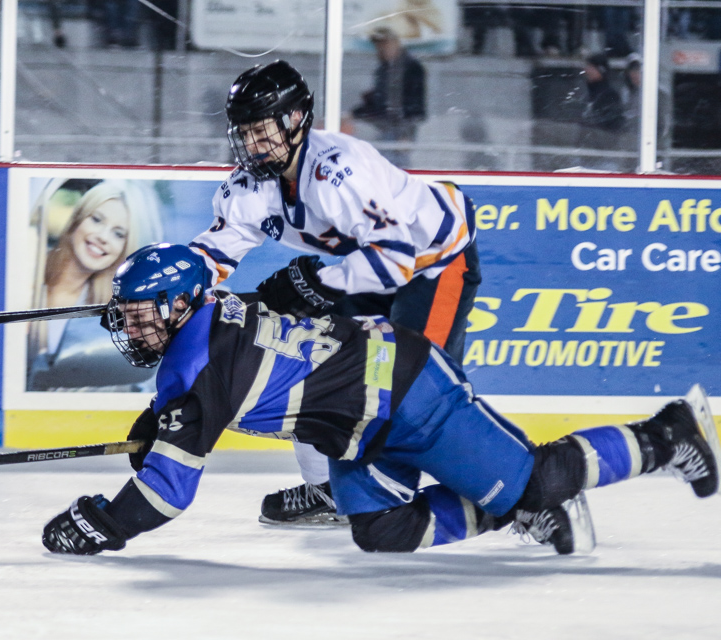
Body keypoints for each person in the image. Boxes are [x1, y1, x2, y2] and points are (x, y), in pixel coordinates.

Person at [41, 244, 720, 557]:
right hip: (359, 426)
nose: (131, 328)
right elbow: (182, 408)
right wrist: (158, 424)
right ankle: (510, 505)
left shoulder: (199, 371)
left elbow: (166, 492)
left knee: (539, 476)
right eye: (126, 317)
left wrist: (102, 525)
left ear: (179, 304)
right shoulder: (208, 323)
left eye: (139, 315)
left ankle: (670, 434)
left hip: (409, 391)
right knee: (383, 531)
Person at [187, 60, 481, 526]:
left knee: (417, 387)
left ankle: (517, 486)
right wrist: (167, 287)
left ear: (296, 120)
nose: (251, 144)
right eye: (243, 132)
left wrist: (317, 286)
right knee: (313, 364)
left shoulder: (339, 171)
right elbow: (214, 252)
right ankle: (328, 488)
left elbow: (397, 258)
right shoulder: (250, 185)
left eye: (262, 131)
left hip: (433, 259)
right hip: (368, 264)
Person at [26, 180, 162, 391]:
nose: (102, 237)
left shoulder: (109, 313)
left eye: (118, 234)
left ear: (123, 249)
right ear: (77, 219)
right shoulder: (27, 270)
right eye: (97, 220)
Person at [351, 27, 426, 168]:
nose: (381, 49)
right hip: (385, 127)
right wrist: (356, 112)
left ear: (395, 43)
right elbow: (381, 101)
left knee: (398, 167)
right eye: (378, 45)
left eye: (385, 44)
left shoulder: (411, 67)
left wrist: (407, 134)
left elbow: (413, 103)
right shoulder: (383, 69)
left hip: (401, 129)